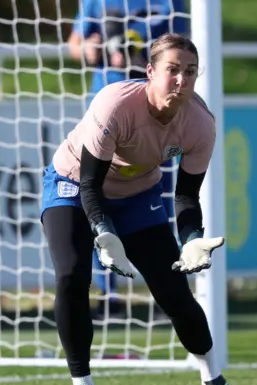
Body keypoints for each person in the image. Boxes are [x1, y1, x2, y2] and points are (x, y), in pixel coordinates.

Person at [41, 33, 250, 385]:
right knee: (71, 275)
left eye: (190, 72)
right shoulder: (115, 103)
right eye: (172, 71)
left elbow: (186, 197)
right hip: (71, 185)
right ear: (150, 72)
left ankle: (216, 384)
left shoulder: (201, 124)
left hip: (138, 195)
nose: (181, 81)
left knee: (173, 289)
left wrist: (191, 241)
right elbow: (89, 185)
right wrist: (104, 234)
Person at [68, 0, 189, 319]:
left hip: (155, 116)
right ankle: (108, 297)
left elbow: (184, 48)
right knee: (96, 201)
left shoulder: (170, 3)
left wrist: (138, 53)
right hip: (106, 115)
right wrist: (94, 49)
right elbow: (75, 45)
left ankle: (166, 294)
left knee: (157, 204)